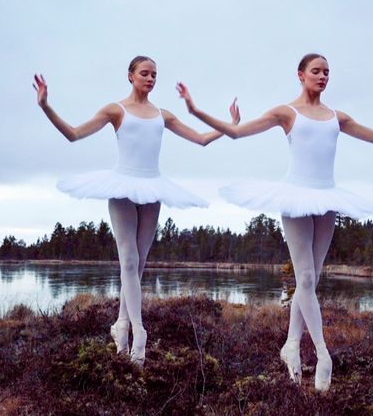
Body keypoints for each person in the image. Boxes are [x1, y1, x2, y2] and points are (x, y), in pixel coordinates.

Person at [177, 53, 373, 391]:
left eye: (327, 72)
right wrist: (195, 111)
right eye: (316, 71)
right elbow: (237, 133)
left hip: (327, 200)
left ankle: (291, 344)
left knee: (311, 281)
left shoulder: (337, 116)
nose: (323, 77)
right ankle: (323, 354)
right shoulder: (286, 112)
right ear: (301, 75)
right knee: (305, 276)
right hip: (295, 197)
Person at [33, 55, 236, 367]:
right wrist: (45, 105)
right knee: (128, 258)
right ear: (130, 75)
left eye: (155, 74)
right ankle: (137, 331)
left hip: (152, 187)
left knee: (139, 263)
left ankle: (120, 323)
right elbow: (72, 134)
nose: (151, 78)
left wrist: (230, 126)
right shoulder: (116, 110)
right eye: (145, 73)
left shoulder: (162, 115)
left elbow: (201, 140)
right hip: (122, 187)